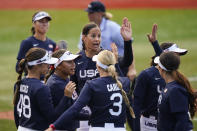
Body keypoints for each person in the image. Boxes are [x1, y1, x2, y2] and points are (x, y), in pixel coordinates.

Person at [45, 50, 135, 131]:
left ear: (97, 65)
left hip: (98, 128)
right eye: (69, 62)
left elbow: (74, 109)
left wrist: (53, 127)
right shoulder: (125, 82)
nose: (74, 64)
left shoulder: (92, 85)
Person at [71, 17, 134, 131]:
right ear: (83, 37)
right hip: (83, 114)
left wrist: (127, 41)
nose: (97, 39)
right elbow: (72, 86)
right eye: (93, 36)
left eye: (99, 36)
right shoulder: (77, 60)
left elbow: (126, 61)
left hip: (104, 112)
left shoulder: (106, 56)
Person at [133, 24, 188, 131]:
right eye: (176, 55)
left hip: (168, 124)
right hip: (148, 125)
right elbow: (136, 106)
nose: (178, 59)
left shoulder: (175, 75)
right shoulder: (146, 75)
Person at [78, 1, 137, 81]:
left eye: (91, 13)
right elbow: (82, 50)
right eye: (88, 13)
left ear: (100, 13)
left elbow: (128, 53)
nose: (89, 15)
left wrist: (132, 69)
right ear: (84, 37)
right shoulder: (86, 29)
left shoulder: (113, 27)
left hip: (117, 65)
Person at [13, 48, 70, 130]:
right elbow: (52, 118)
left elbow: (16, 115)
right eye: (47, 63)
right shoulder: (41, 88)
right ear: (37, 65)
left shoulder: (19, 83)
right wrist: (66, 97)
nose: (49, 66)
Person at [45, 49, 90, 131]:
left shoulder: (64, 79)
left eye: (73, 61)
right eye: (69, 62)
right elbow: (67, 113)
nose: (74, 65)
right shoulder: (56, 85)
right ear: (58, 65)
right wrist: (96, 114)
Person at [155, 52, 197, 131]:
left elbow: (182, 121)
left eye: (158, 65)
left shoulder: (175, 90)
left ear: (162, 69)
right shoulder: (170, 87)